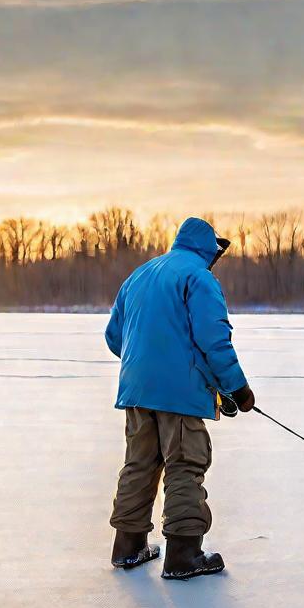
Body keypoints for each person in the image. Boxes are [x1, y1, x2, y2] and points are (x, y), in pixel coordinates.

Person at [104, 217, 255, 581]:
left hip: (137, 391)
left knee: (139, 464)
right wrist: (237, 388)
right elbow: (213, 341)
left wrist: (148, 362)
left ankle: (128, 546)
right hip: (180, 395)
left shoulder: (139, 274)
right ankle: (184, 555)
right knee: (186, 464)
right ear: (208, 249)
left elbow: (114, 337)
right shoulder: (199, 278)